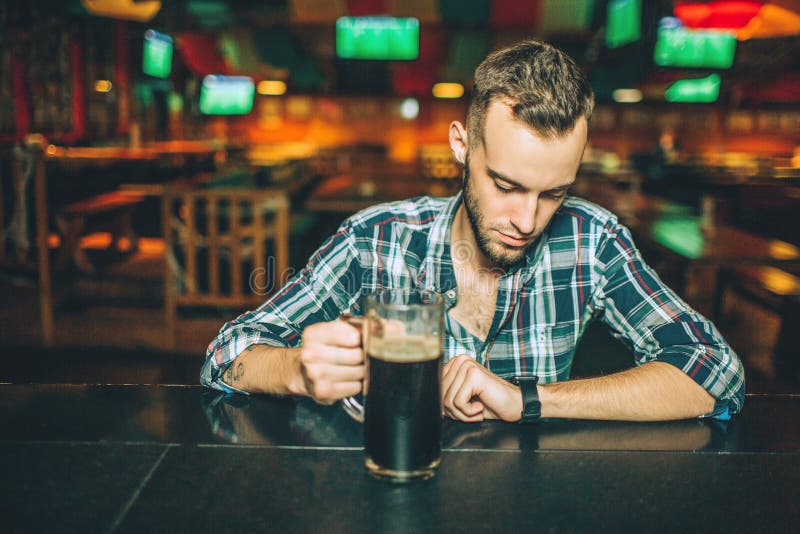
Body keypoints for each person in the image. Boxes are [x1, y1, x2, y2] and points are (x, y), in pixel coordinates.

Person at [202, 40, 744, 422]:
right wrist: (295, 369)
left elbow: (713, 369)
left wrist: (529, 400)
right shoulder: (376, 239)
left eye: (553, 193)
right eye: (506, 185)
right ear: (461, 146)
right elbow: (228, 354)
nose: (527, 221)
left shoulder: (592, 241)